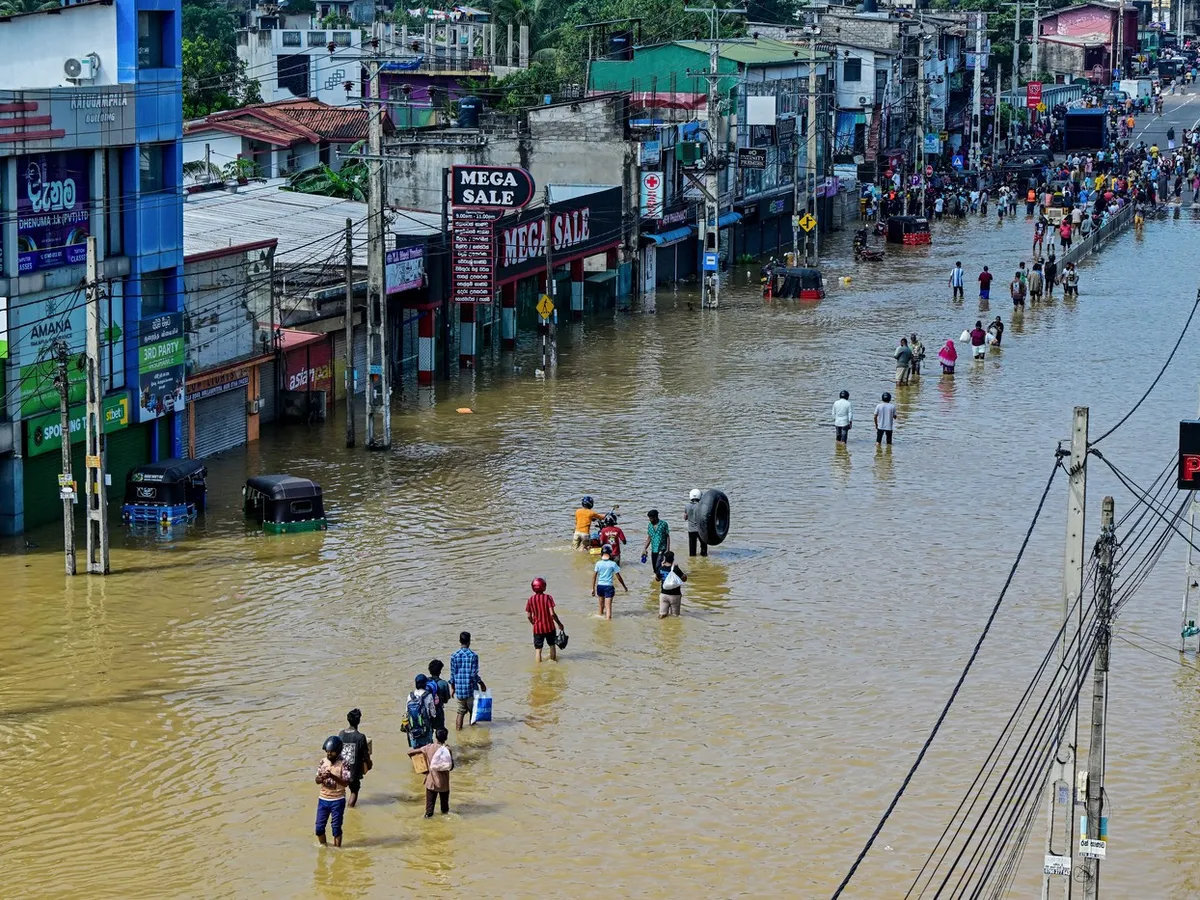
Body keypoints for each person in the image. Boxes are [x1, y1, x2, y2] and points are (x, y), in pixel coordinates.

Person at [408, 728, 453, 818]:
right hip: (444, 784)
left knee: (429, 811)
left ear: (435, 737)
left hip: (431, 782)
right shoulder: (447, 750)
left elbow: (411, 752)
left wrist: (422, 768)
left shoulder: (428, 747)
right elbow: (451, 767)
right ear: (446, 737)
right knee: (445, 810)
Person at [315, 735, 351, 847]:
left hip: (338, 800)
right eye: (328, 752)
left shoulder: (344, 763)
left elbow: (345, 783)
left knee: (336, 828)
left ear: (338, 751)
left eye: (332, 752)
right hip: (323, 799)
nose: (329, 754)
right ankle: (324, 847)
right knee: (319, 829)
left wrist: (332, 776)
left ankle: (337, 851)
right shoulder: (323, 762)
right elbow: (316, 780)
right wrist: (322, 778)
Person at [449, 632, 486, 731]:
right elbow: (473, 674)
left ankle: (458, 732)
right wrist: (482, 683)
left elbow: (453, 673)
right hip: (470, 690)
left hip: (460, 690)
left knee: (460, 712)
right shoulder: (473, 656)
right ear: (469, 641)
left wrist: (452, 687)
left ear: (460, 641)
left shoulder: (454, 656)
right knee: (473, 712)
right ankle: (472, 733)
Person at [338, 709, 372, 808]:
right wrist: (369, 765)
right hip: (354, 771)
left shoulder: (341, 734)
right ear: (359, 721)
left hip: (341, 769)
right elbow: (366, 755)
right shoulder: (360, 737)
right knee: (354, 791)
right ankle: (350, 809)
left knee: (341, 791)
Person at [527, 576, 565, 661]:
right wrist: (559, 623)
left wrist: (533, 623)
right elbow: (552, 614)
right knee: (552, 646)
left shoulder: (530, 599)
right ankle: (553, 664)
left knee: (538, 650)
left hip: (537, 629)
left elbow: (529, 616)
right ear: (544, 586)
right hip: (549, 628)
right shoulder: (548, 598)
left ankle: (538, 670)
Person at [591, 547, 628, 619]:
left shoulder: (598, 563)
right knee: (608, 608)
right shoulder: (613, 564)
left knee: (601, 606)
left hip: (600, 586)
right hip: (608, 587)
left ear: (601, 554)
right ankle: (608, 625)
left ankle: (600, 622)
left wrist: (593, 588)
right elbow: (619, 577)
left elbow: (594, 576)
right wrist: (624, 586)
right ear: (610, 554)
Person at [403, 675, 437, 749]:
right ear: (425, 684)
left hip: (413, 730)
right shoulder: (428, 695)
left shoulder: (410, 695)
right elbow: (433, 714)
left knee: (416, 752)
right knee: (428, 750)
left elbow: (406, 712)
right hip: (426, 729)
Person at [657, 550, 688, 619]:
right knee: (675, 616)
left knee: (662, 614)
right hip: (675, 595)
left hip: (664, 595)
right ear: (673, 559)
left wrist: (661, 567)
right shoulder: (675, 568)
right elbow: (684, 579)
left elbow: (657, 579)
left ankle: (660, 627)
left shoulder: (661, 568)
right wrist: (677, 569)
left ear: (664, 559)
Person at [642, 510, 671, 579]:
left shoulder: (664, 524)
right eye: (649, 518)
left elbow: (667, 536)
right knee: (654, 566)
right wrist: (644, 548)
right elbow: (649, 537)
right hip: (654, 549)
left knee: (658, 564)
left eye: (651, 518)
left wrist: (668, 549)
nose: (650, 520)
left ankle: (661, 578)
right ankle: (658, 579)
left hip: (662, 548)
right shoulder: (650, 525)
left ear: (655, 517)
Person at [425, 660, 452, 732]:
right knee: (440, 731)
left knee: (428, 732)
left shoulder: (425, 682)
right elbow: (446, 700)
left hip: (426, 712)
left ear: (430, 671)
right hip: (438, 711)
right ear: (440, 671)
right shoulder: (443, 683)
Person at [684, 489, 707, 557]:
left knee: (692, 548)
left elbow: (685, 518)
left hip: (691, 530)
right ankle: (703, 558)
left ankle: (692, 560)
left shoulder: (687, 506)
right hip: (701, 530)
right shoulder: (702, 506)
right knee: (703, 546)